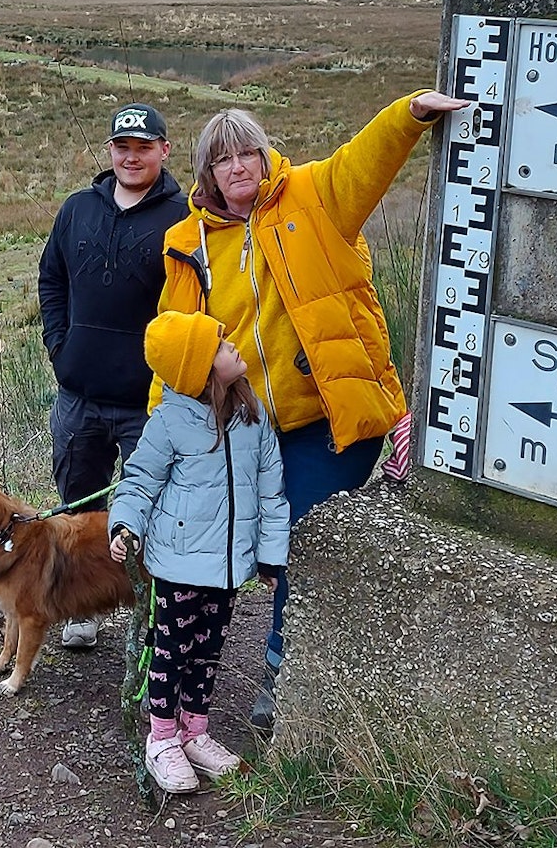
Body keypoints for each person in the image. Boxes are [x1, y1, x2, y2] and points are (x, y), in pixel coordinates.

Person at [161, 90, 469, 730]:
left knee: (295, 540)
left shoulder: (312, 196)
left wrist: (407, 114)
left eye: (248, 151)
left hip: (329, 423)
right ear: (207, 174)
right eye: (224, 159)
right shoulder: (186, 240)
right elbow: (170, 334)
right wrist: (171, 422)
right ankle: (179, 693)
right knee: (212, 552)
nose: (240, 166)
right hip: (242, 431)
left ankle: (282, 673)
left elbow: (364, 162)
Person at [106, 310, 288, 793]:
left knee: (208, 652)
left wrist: (270, 556)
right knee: (170, 650)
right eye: (221, 345)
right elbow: (140, 481)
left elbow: (272, 492)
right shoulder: (168, 422)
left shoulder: (251, 416)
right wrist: (125, 526)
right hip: (180, 563)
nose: (233, 346)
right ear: (201, 370)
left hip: (227, 568)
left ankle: (195, 731)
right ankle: (161, 736)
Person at [36, 103, 192, 649]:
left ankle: (153, 610)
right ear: (111, 151)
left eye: (144, 146)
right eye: (123, 146)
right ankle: (85, 608)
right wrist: (61, 347)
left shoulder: (183, 218)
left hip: (148, 401)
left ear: (164, 150)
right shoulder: (78, 209)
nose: (132, 156)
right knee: (79, 507)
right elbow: (51, 278)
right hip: (78, 395)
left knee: (153, 507)